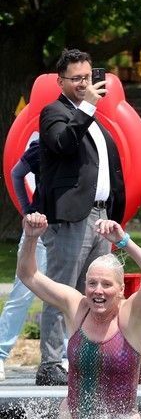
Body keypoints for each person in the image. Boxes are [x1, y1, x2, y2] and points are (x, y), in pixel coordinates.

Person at [16, 211, 141, 419]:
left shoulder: (131, 316)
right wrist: (30, 237)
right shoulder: (76, 307)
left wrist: (124, 241)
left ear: (121, 290)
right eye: (92, 283)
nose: (98, 290)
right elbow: (28, 276)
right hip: (73, 418)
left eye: (106, 284)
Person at [28, 48, 126, 386]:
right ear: (61, 81)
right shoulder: (54, 111)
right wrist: (87, 107)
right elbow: (61, 144)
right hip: (70, 217)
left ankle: (89, 358)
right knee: (61, 288)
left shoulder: (93, 117)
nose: (85, 84)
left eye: (88, 77)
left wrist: (115, 210)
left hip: (100, 216)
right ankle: (51, 363)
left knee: (98, 294)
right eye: (77, 79)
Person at [0, 136, 67, 381]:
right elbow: (17, 173)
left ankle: (68, 356)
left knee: (69, 293)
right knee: (22, 293)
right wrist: (28, 209)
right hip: (42, 228)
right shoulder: (43, 144)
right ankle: (0, 353)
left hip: (72, 229)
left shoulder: (85, 140)